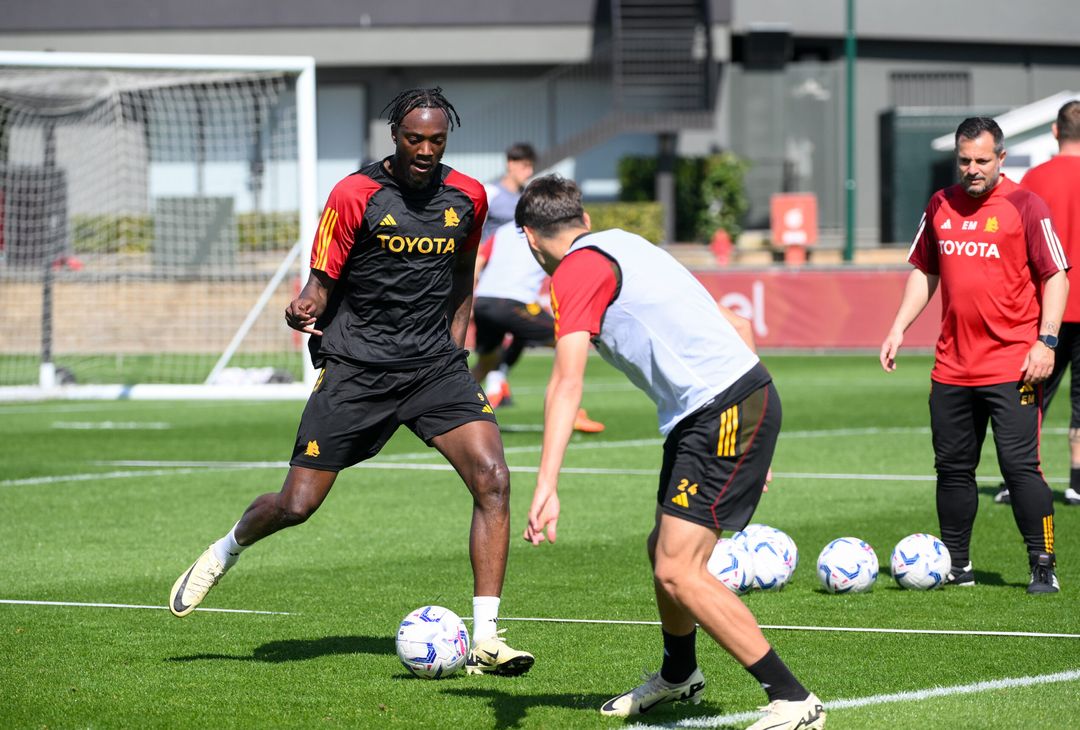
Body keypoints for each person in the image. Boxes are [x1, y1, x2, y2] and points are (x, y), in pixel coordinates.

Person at [168, 87, 534, 676]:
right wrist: (302, 307)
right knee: (296, 505)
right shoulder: (354, 194)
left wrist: (456, 349)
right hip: (358, 369)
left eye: (436, 141)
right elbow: (320, 284)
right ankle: (225, 549)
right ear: (395, 136)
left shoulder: (468, 196)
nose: (425, 150)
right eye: (414, 139)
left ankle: (487, 638)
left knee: (493, 479)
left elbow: (463, 275)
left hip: (433, 368)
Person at [516, 175, 825, 729]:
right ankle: (679, 674)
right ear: (585, 221)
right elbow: (738, 323)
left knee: (679, 569)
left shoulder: (574, 272)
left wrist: (546, 484)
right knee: (662, 548)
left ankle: (794, 700)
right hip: (720, 409)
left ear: (529, 237)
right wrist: (754, 437)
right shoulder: (625, 245)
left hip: (720, 410)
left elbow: (566, 382)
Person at [880, 116, 1067, 594]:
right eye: (964, 160)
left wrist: (1046, 342)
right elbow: (925, 271)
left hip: (1013, 365)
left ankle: (1042, 563)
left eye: (982, 160)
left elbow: (1056, 276)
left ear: (1001, 158)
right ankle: (956, 564)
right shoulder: (940, 204)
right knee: (952, 470)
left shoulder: (1027, 205)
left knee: (1019, 468)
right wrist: (899, 327)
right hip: (952, 368)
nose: (972, 169)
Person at [995, 99, 1080, 508]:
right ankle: (1077, 482)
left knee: (1030, 396)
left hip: (1046, 309)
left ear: (1054, 131)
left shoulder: (1034, 178)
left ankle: (1019, 478)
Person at [471, 220, 605, 432]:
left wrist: (471, 297)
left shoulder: (503, 230)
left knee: (486, 362)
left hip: (484, 301)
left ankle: (448, 404)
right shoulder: (550, 228)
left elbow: (479, 260)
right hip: (514, 302)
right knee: (567, 341)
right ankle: (570, 412)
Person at [476, 143, 539, 407]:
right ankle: (492, 385)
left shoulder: (526, 199)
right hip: (490, 275)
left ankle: (496, 383)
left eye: (531, 167)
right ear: (510, 164)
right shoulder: (490, 193)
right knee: (493, 339)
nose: (528, 172)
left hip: (518, 278)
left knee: (520, 332)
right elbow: (473, 228)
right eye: (524, 166)